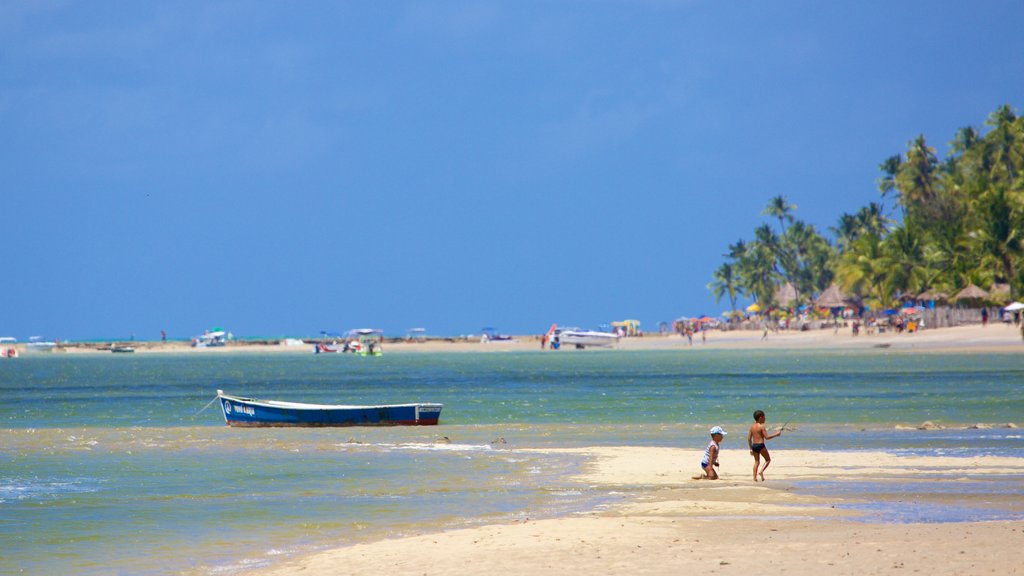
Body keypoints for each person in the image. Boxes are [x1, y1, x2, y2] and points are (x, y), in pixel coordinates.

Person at [748, 410, 783, 482]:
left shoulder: (752, 427)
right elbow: (767, 437)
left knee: (756, 462)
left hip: (754, 445)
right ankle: (761, 471)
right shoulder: (762, 426)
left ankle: (754, 478)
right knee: (768, 460)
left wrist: (751, 448)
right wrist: (776, 434)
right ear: (760, 417)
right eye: (764, 417)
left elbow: (749, 439)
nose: (765, 419)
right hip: (760, 445)